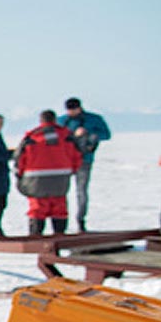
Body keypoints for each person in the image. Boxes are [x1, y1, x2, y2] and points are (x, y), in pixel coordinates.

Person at [15, 110, 82, 236]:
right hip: (60, 179)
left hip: (36, 180)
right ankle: (59, 239)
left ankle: (36, 240)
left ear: (41, 121)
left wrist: (20, 176)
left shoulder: (32, 137)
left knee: (38, 209)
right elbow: (77, 156)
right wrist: (71, 170)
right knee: (59, 207)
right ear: (54, 120)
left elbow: (20, 159)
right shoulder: (66, 135)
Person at [58, 97, 111, 232]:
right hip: (65, 161)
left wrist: (89, 134)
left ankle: (81, 219)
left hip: (84, 160)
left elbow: (106, 134)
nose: (71, 113)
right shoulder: (62, 120)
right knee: (61, 191)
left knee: (81, 191)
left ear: (79, 108)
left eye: (73, 110)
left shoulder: (93, 119)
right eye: (68, 110)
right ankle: (61, 220)